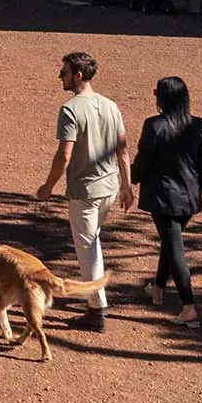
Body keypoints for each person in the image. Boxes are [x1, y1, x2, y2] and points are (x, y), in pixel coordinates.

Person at [34, 50, 132, 330]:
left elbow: (64, 155)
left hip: (84, 192)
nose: (59, 76)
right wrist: (126, 185)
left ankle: (97, 309)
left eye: (63, 72)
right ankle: (95, 305)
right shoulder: (111, 106)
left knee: (87, 250)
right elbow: (122, 149)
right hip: (109, 188)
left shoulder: (70, 110)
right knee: (93, 243)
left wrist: (47, 187)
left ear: (77, 75)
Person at [131, 75, 202, 326]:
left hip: (163, 197)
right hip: (189, 196)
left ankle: (188, 307)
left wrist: (129, 181)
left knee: (175, 249)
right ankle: (157, 288)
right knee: (169, 241)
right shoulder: (198, 125)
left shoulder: (154, 125)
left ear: (162, 98)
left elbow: (144, 160)